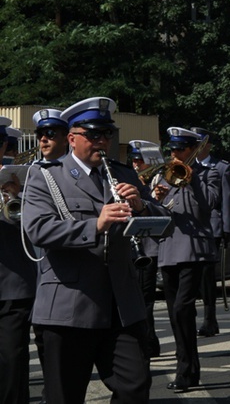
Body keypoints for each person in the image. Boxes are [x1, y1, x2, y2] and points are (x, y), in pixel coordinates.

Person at [22, 97, 171, 403]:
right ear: (72, 137)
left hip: (120, 304)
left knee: (135, 387)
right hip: (69, 306)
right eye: (93, 135)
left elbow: (163, 223)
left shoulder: (123, 174)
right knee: (65, 395)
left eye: (106, 135)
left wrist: (141, 207)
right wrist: (96, 225)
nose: (102, 142)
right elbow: (38, 229)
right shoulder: (47, 175)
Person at [153, 127, 220, 391]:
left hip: (193, 249)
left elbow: (211, 203)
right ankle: (190, 368)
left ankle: (185, 370)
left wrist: (192, 180)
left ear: (192, 150)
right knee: (176, 313)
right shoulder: (164, 175)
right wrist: (154, 198)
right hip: (168, 248)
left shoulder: (208, 173)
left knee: (182, 308)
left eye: (180, 149)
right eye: (172, 149)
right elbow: (157, 211)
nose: (175, 154)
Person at [1, 118, 37, 404]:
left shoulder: (24, 178)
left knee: (12, 363)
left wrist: (18, 196)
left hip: (13, 287)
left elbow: (40, 225)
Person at [190, 127, 230, 338]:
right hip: (191, 227)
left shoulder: (221, 167)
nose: (197, 147)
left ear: (208, 145)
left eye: (200, 143)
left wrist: (227, 228)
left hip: (212, 227)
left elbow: (226, 198)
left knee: (208, 277)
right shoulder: (188, 166)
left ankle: (210, 319)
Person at [128, 140, 163, 358]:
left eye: (139, 160)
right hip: (132, 246)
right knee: (137, 297)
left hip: (149, 248)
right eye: (133, 160)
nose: (135, 164)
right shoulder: (130, 179)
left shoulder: (160, 179)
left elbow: (163, 213)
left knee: (145, 298)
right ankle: (148, 341)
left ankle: (149, 343)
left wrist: (155, 198)